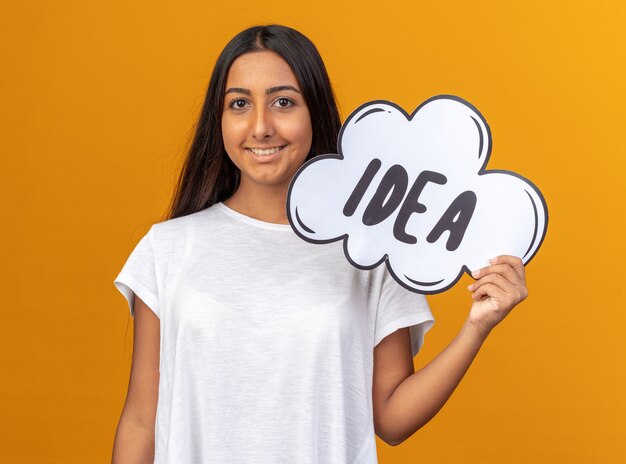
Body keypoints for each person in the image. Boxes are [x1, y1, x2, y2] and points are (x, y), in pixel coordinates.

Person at [111, 24, 528, 464]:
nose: (261, 127)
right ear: (219, 120)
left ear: (315, 111)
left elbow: (391, 418)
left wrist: (477, 327)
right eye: (239, 104)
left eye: (283, 102)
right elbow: (141, 419)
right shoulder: (168, 248)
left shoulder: (371, 248)